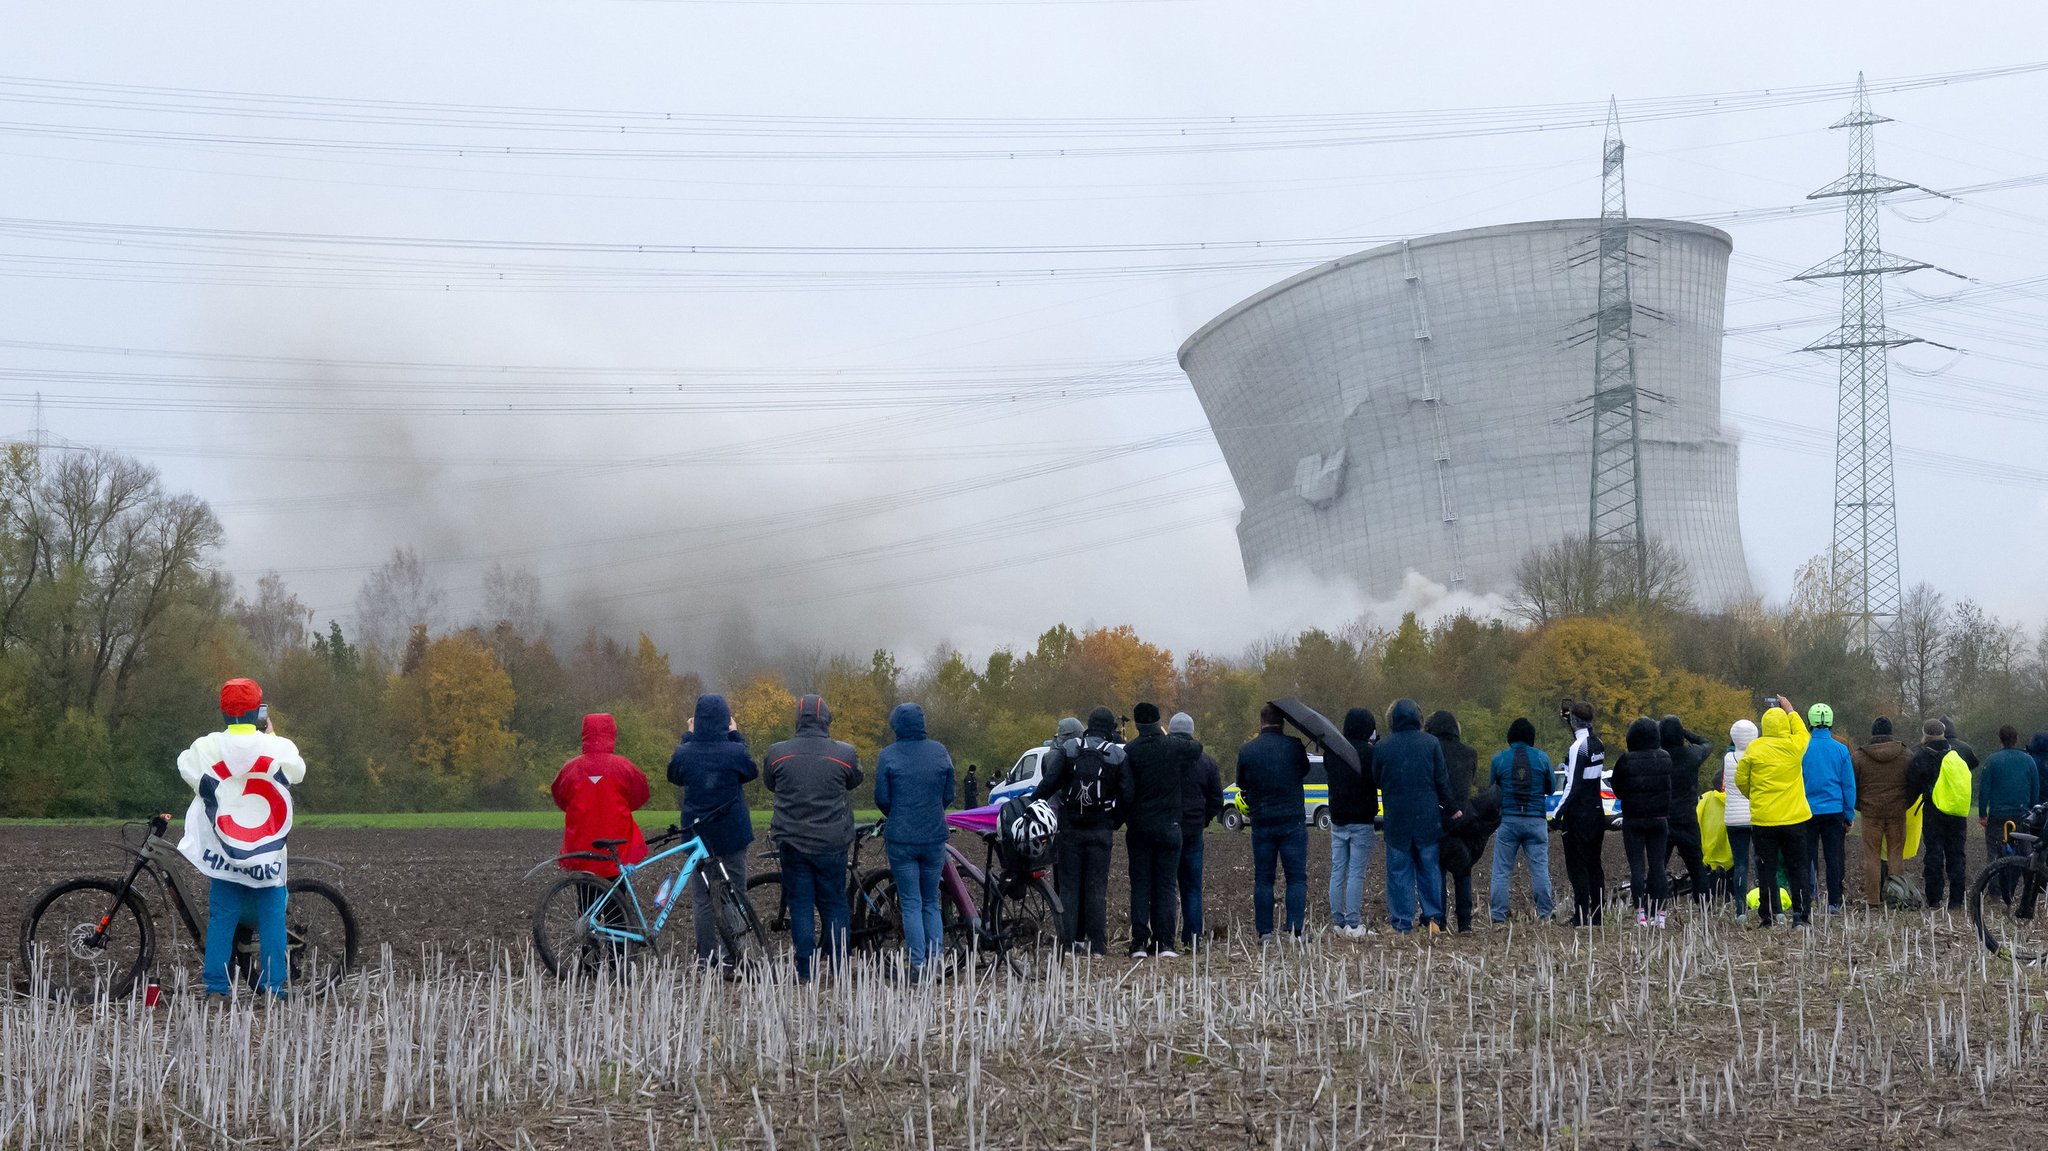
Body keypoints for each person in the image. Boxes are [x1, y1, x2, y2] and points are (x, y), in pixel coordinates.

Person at [176, 678, 305, 998]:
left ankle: (217, 988)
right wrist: (271, 736)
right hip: (267, 851)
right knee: (273, 916)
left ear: (223, 712)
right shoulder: (278, 746)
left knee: (222, 916)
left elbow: (187, 768)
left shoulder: (206, 746)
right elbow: (297, 772)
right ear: (257, 712)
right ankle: (275, 989)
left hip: (226, 850)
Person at [763, 694, 864, 982]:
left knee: (801, 904)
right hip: (832, 842)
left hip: (792, 842)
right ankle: (840, 969)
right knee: (834, 904)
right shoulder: (844, 753)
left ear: (798, 719)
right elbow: (855, 780)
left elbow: (770, 783)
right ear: (826, 720)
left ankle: (805, 970)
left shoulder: (777, 753)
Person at [667, 694, 759, 967]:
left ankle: (706, 956)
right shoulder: (735, 751)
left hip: (698, 836)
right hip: (732, 834)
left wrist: (688, 736)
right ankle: (734, 955)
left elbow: (673, 774)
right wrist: (735, 735)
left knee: (703, 900)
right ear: (725, 719)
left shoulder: (686, 752)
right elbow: (751, 771)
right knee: (735, 893)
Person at [873, 702, 955, 978]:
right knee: (930, 900)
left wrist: (897, 814)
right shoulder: (940, 751)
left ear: (896, 726)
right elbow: (949, 794)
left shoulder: (888, 755)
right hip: (934, 836)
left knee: (911, 902)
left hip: (902, 838)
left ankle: (918, 965)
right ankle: (937, 963)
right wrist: (933, 809)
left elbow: (882, 798)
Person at [1035, 707, 1126, 955]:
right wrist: (1113, 821)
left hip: (1070, 829)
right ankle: (1096, 945)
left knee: (1069, 887)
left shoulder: (1070, 749)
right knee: (1096, 887)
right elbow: (1127, 795)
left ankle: (1067, 944)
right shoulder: (1116, 755)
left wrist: (1033, 804)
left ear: (1089, 724)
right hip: (1100, 830)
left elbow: (1049, 783)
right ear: (1109, 728)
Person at [1118, 702, 1195, 957]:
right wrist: (1168, 736)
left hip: (1139, 828)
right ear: (1159, 722)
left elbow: (1126, 792)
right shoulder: (1172, 746)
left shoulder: (1130, 751)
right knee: (1165, 885)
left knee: (1141, 885)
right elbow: (1197, 748)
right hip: (1170, 827)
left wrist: (1121, 818)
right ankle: (1166, 943)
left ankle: (1139, 942)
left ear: (1138, 724)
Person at [1235, 702, 1313, 943]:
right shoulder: (1295, 746)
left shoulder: (1247, 751)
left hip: (1262, 822)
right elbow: (1304, 770)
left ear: (1261, 722)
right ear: (1283, 723)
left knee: (1264, 878)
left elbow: (1242, 783)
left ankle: (1265, 932)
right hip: (1292, 821)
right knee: (1296, 878)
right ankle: (1294, 930)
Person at [1376, 699, 1456, 934]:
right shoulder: (1431, 743)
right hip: (1427, 817)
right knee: (1429, 868)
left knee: (1399, 871)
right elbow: (1441, 779)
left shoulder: (1383, 747)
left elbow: (1376, 778)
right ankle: (1433, 919)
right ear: (1417, 719)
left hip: (1397, 818)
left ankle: (1401, 922)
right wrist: (1451, 807)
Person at [551, 713, 650, 894]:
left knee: (586, 905)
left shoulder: (570, 769)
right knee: (617, 906)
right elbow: (641, 794)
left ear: (585, 734)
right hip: (616, 845)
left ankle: (587, 921)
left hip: (582, 845)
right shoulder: (624, 767)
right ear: (612, 733)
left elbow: (560, 797)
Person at [1735, 696, 1813, 928]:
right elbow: (1802, 731)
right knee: (1797, 867)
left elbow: (1741, 779)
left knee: (1766, 869)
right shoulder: (1795, 745)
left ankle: (1767, 917)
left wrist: (1755, 796)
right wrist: (1790, 709)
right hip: (1795, 818)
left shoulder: (1754, 748)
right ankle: (1800, 917)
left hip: (1764, 820)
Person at [1489, 718, 1555, 924]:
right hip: (1536, 821)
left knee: (1501, 870)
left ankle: (1498, 916)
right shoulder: (1542, 759)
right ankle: (1545, 914)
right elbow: (1551, 788)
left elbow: (1493, 790)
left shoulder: (1499, 759)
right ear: (1531, 737)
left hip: (1508, 821)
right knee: (1539, 870)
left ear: (1510, 737)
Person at [1610, 718, 1675, 927]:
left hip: (1633, 820)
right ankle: (1661, 915)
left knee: (1637, 867)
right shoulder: (1665, 758)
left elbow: (1617, 789)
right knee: (1658, 866)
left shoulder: (1626, 760)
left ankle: (1641, 914)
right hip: (1659, 819)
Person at [1169, 712, 1224, 950]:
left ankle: (1164, 937)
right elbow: (1216, 799)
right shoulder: (1207, 762)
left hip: (1169, 829)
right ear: (1192, 733)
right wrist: (1203, 819)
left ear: (1171, 732)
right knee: (1192, 887)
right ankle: (1193, 938)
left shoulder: (1164, 759)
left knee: (1167, 886)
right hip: (1194, 831)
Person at [1425, 710, 1482, 932]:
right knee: (1462, 869)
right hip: (1462, 819)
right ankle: (1465, 923)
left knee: (1436, 870)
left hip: (1436, 819)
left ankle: (1438, 920)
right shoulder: (1470, 754)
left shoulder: (1431, 751)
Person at [1553, 702, 1609, 926]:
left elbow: (1573, 785)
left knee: (1577, 867)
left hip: (1579, 815)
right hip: (1597, 811)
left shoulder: (1578, 747)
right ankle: (1597, 915)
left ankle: (1581, 914)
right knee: (1595, 864)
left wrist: (1557, 813)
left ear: (1573, 721)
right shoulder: (1599, 743)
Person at [1907, 718, 1970, 912]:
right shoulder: (1956, 755)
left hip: (1934, 813)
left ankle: (1934, 899)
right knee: (1957, 854)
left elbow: (1912, 787)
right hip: (1958, 813)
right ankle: (1957, 901)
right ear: (1943, 733)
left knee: (1934, 854)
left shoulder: (1922, 756)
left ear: (1925, 734)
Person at [1800, 704, 1857, 914]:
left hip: (1807, 811)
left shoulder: (1802, 748)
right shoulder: (1841, 750)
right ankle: (1834, 902)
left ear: (1810, 722)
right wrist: (1849, 814)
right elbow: (1848, 785)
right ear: (1830, 722)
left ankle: (1806, 899)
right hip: (1834, 812)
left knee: (1807, 858)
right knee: (1834, 859)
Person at [1851, 717, 1914, 908]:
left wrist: (1861, 806)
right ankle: (1896, 897)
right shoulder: (1906, 754)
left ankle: (1873, 899)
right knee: (1896, 854)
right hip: (1897, 812)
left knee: (1872, 856)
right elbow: (1913, 784)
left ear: (1873, 733)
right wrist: (1904, 804)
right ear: (1891, 732)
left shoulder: (1859, 757)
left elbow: (1852, 786)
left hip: (1871, 812)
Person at [1327, 708, 1379, 938]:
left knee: (1338, 870)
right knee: (1356, 872)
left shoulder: (1333, 752)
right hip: (1362, 820)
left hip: (1338, 820)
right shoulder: (1369, 754)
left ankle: (1337, 922)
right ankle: (1354, 923)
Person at [1978, 725, 2042, 902]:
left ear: (2000, 740)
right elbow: (2035, 788)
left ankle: (1996, 893)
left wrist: (1983, 813)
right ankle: (2026, 893)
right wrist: (2032, 810)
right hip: (2021, 815)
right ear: (2017, 738)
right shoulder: (2029, 761)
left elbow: (1985, 789)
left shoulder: (1992, 760)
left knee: (1994, 854)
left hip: (1998, 816)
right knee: (2024, 854)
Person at [1659, 717, 1712, 902]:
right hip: (1687, 818)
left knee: (1657, 868)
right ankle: (1703, 905)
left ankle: (1653, 907)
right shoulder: (1692, 755)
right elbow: (1706, 743)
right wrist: (1687, 733)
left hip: (1662, 819)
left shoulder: (1658, 757)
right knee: (1696, 867)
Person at [1722, 720, 1758, 911]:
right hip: (1757, 816)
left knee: (1740, 864)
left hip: (1734, 819)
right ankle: (1767, 903)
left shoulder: (1728, 759)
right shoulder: (1758, 757)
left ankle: (1740, 909)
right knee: (1762, 862)